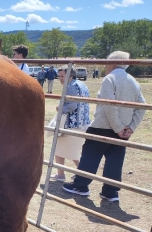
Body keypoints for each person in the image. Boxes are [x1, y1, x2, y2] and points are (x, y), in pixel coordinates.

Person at [63, 51, 146, 202]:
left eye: (106, 62)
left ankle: (80, 185)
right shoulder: (134, 81)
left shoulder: (110, 79)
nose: (104, 65)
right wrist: (130, 127)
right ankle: (111, 191)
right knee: (115, 160)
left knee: (90, 155)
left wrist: (118, 127)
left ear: (112, 63)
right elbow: (142, 106)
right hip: (123, 130)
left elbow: (109, 105)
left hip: (103, 126)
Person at [51, 68, 91, 181]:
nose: (60, 79)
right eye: (59, 76)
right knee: (64, 148)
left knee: (66, 149)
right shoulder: (81, 84)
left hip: (72, 123)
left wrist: (60, 108)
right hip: (81, 122)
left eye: (62, 76)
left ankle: (80, 174)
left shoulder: (71, 86)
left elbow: (72, 106)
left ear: (70, 76)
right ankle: (64, 173)